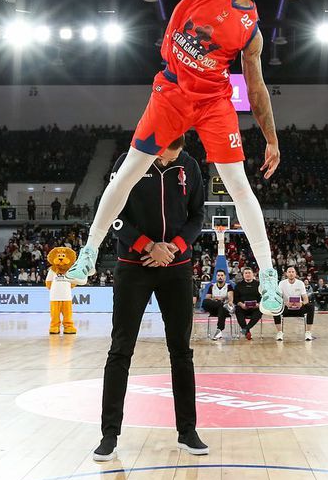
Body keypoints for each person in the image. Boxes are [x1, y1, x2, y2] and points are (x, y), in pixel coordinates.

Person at [68, 0, 283, 320]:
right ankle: (88, 252)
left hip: (212, 103)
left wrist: (270, 137)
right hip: (170, 91)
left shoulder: (251, 33)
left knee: (238, 183)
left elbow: (260, 89)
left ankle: (268, 277)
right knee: (127, 172)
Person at [94, 135, 207, 462]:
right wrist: (146, 245)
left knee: (181, 352)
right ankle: (109, 434)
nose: (172, 163)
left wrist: (175, 247)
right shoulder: (127, 163)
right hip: (133, 266)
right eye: (167, 157)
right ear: (155, 149)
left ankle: (188, 432)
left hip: (176, 266)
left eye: (176, 156)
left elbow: (197, 215)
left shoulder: (189, 166)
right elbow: (111, 213)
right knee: (120, 350)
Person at [273, 266, 315, 342]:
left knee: (311, 307)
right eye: (289, 272)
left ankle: (308, 332)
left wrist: (301, 303)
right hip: (286, 308)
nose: (291, 273)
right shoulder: (282, 283)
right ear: (286, 274)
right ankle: (279, 332)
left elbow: (306, 299)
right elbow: (278, 298)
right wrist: (285, 303)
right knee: (275, 307)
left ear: (295, 273)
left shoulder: (300, 283)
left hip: (298, 308)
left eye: (293, 272)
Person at [201, 269, 232, 340]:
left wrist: (215, 298)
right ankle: (221, 305)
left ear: (225, 277)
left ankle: (219, 330)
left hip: (224, 309)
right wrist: (219, 299)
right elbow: (208, 298)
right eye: (218, 275)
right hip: (215, 307)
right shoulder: (212, 286)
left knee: (222, 307)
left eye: (222, 275)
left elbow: (230, 300)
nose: (220, 277)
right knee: (205, 301)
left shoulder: (229, 286)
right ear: (216, 277)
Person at [232, 266, 263, 339]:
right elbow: (236, 299)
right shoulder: (238, 285)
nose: (247, 274)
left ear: (253, 274)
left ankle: (245, 329)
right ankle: (246, 330)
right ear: (243, 275)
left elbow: (263, 297)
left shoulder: (259, 285)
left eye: (249, 273)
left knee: (260, 310)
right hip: (243, 307)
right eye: (246, 273)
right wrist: (241, 304)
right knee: (237, 309)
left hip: (255, 308)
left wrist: (258, 304)